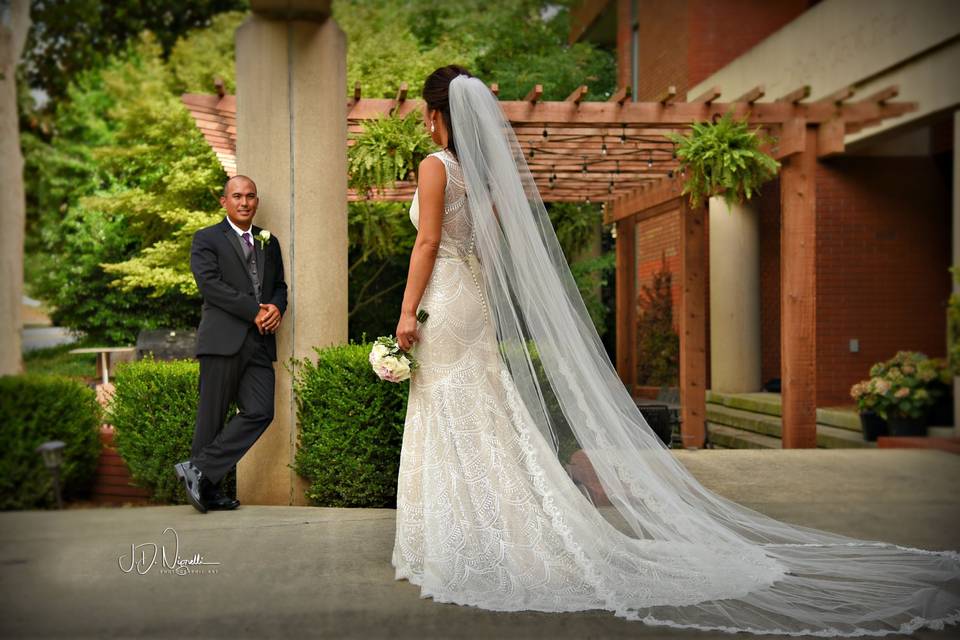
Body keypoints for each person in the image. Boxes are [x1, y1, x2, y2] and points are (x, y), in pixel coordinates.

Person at [391, 65, 960, 636]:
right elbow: (482, 253)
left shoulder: (435, 167)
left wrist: (407, 311)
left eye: (425, 108)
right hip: (472, 300)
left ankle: (450, 539)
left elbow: (428, 240)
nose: (423, 118)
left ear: (437, 113)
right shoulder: (481, 176)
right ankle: (498, 534)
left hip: (443, 296)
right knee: (483, 413)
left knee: (450, 410)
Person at [174, 175, 287, 514]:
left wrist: (276, 308)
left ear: (257, 201)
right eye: (237, 196)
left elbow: (279, 286)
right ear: (223, 201)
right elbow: (210, 286)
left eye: (251, 196)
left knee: (260, 411)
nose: (244, 202)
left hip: (260, 342)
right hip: (222, 340)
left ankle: (198, 470)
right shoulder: (206, 239)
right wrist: (254, 310)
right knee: (211, 418)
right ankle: (209, 491)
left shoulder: (270, 242)